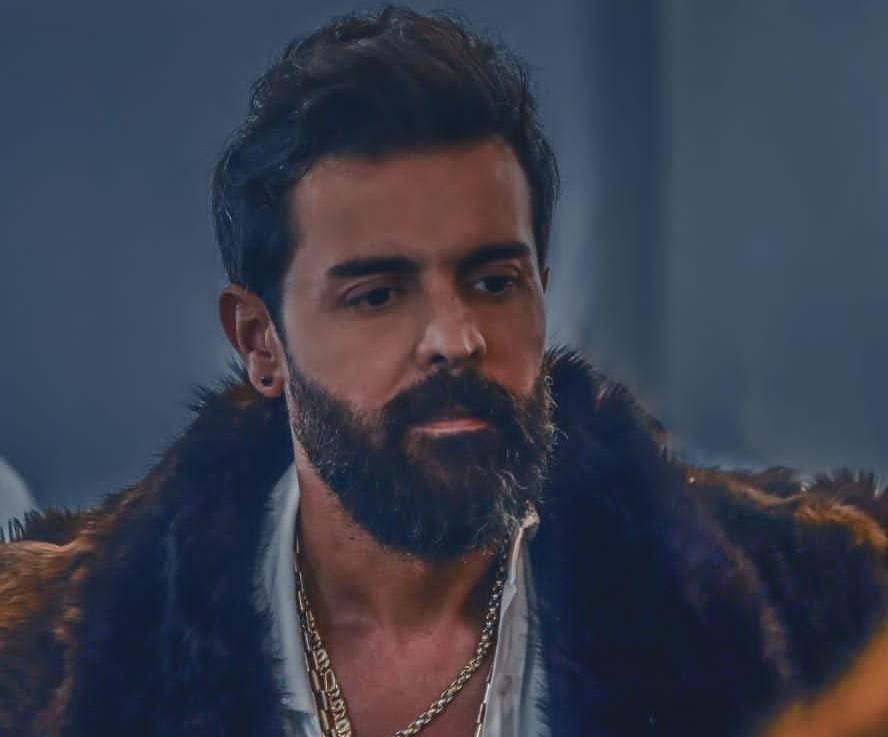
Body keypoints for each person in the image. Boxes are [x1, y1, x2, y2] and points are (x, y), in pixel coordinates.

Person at [0, 7, 885, 737]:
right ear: (261, 341)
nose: (457, 338)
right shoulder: (49, 671)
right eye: (378, 294)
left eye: (494, 281)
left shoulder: (821, 633)